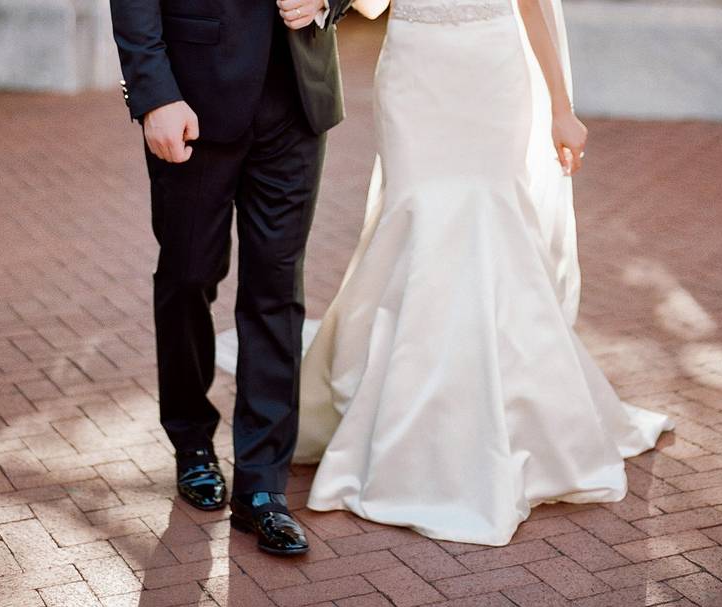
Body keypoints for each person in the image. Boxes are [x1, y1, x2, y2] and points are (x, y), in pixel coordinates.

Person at [295, 0, 673, 545]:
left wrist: (561, 108)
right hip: (413, 67)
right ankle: (406, 426)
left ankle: (503, 418)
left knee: (492, 224)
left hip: (491, 67)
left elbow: (535, 5)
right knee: (415, 218)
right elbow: (373, 7)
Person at [109, 0, 356, 555]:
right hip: (193, 95)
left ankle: (262, 486)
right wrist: (154, 94)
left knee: (277, 288)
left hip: (299, 96)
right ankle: (192, 442)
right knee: (188, 276)